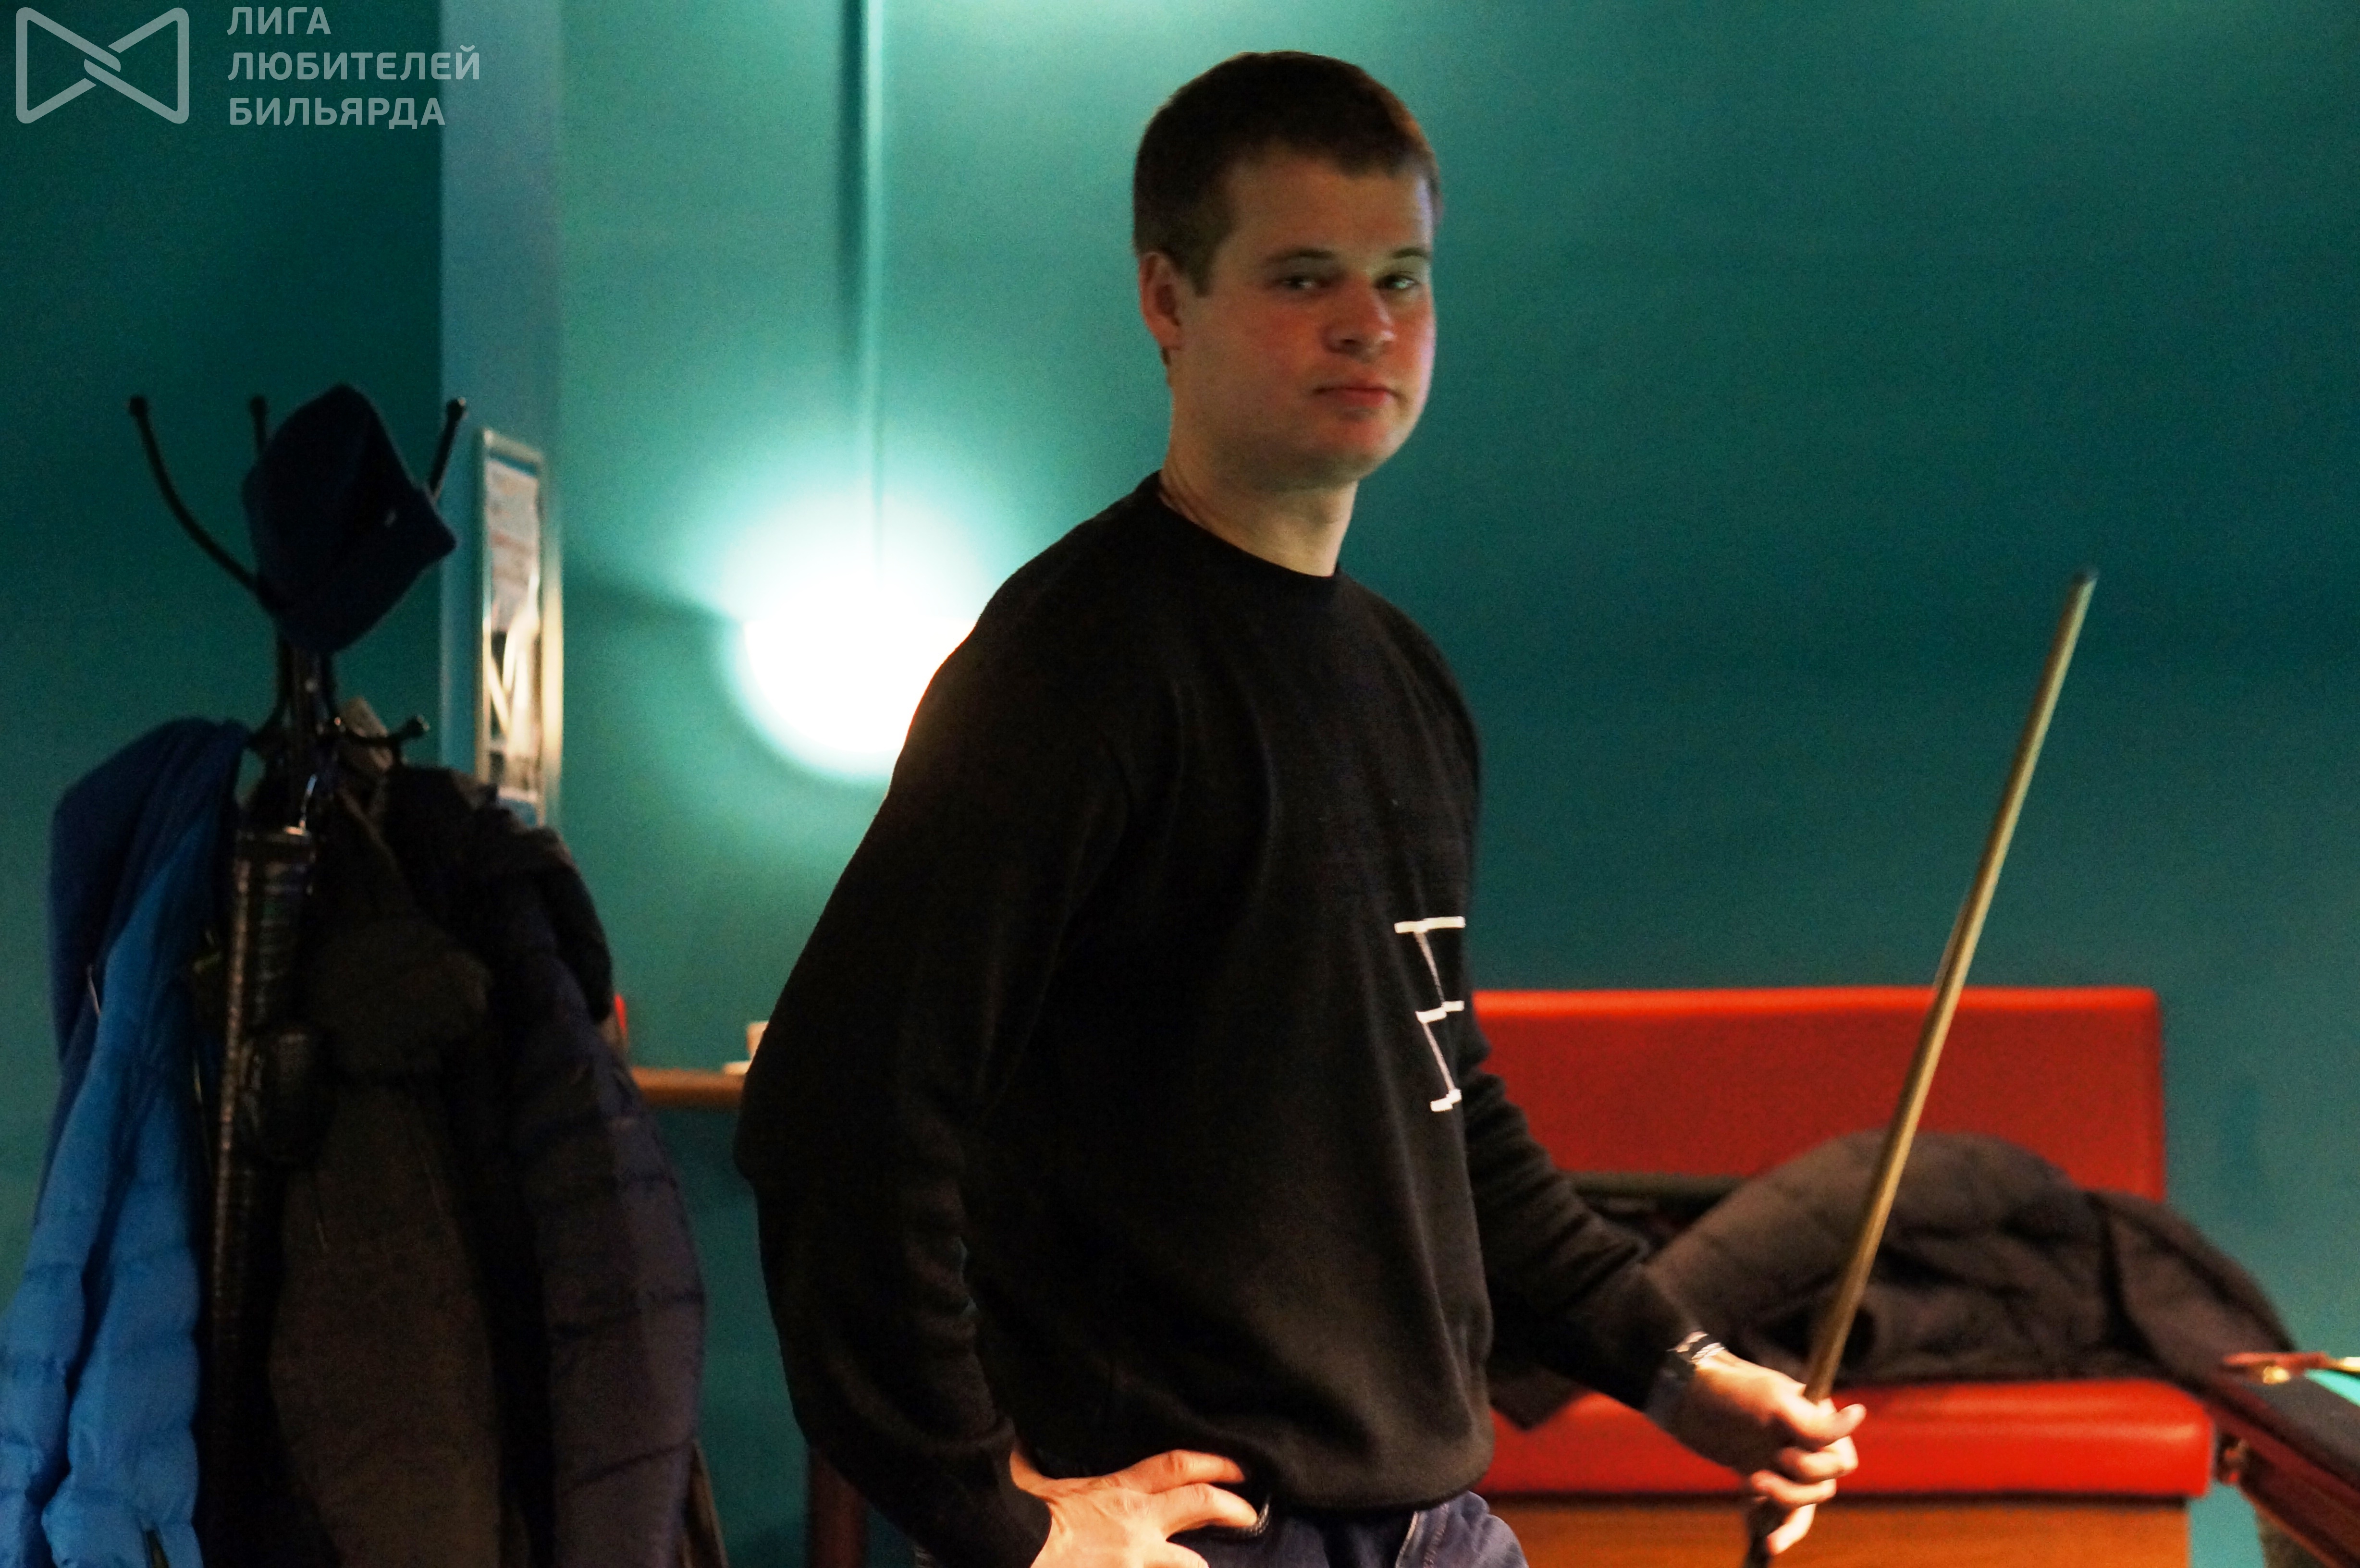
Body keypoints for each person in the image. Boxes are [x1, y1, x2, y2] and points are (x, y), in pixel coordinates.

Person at [736, 50, 1863, 1568]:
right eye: (1303, 276)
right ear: (1167, 297)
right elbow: (837, 1108)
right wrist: (993, 1518)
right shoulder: (1077, 664)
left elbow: (1444, 1109)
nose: (1368, 324)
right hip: (1209, 1535)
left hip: (1440, 1528)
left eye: (1404, 279)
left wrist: (1679, 1369)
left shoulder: (1406, 679)